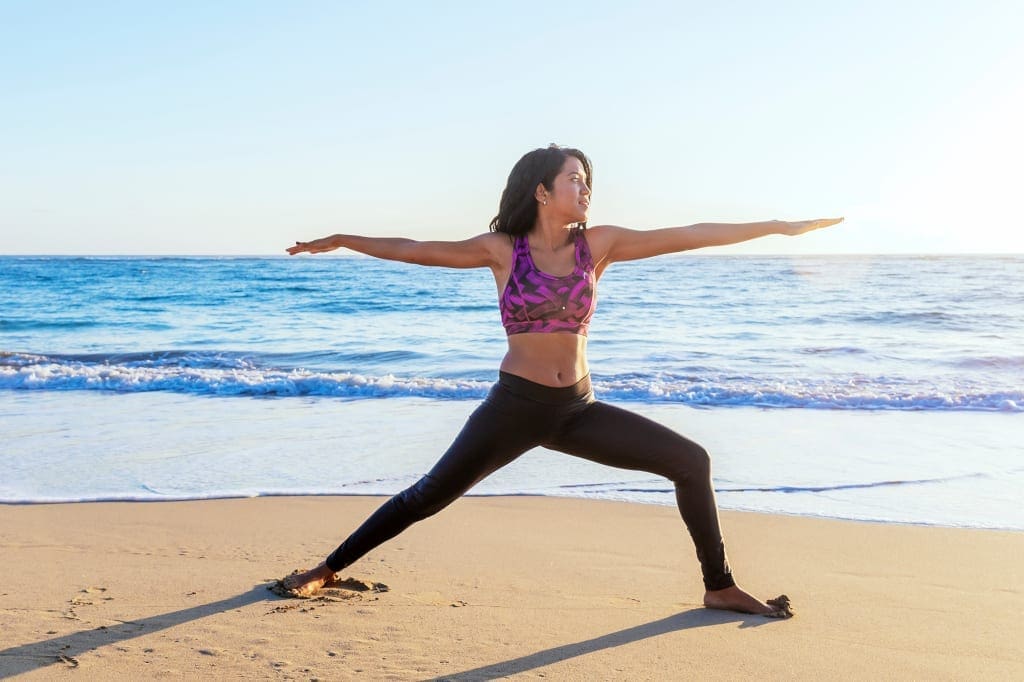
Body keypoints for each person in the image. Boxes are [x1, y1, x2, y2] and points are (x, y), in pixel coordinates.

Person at [283, 144, 842, 617]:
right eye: (574, 179)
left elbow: (689, 234)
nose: (585, 189)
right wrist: (343, 238)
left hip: (577, 408)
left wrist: (776, 227)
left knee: (691, 461)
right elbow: (413, 249)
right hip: (514, 407)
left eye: (588, 181)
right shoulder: (502, 251)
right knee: (428, 496)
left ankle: (718, 585)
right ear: (542, 192)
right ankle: (326, 569)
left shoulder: (598, 246)